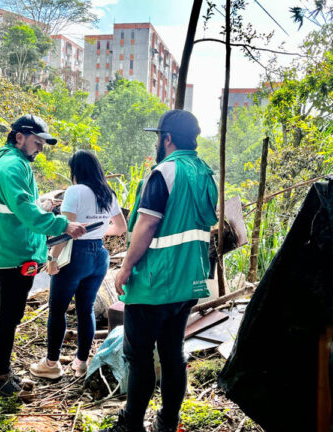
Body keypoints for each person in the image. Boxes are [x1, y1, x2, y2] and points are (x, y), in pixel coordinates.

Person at [107, 110, 218, 432]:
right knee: (172, 352)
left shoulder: (165, 172)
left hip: (156, 280)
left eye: (159, 137)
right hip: (189, 280)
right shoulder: (204, 172)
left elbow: (148, 222)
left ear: (166, 138)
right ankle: (167, 422)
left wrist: (126, 266)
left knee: (139, 356)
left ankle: (132, 425)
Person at [0, 114, 87, 397]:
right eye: (36, 142)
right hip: (16, 251)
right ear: (19, 137)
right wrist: (63, 224)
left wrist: (39, 203)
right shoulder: (15, 165)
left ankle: (0, 370)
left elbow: (14, 202)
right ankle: (0, 378)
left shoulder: (0, 159)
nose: (39, 149)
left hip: (2, 247)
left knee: (4, 313)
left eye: (41, 144)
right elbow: (24, 211)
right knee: (10, 315)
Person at [29, 150, 127, 380]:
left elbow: (65, 229)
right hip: (99, 255)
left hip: (74, 255)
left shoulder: (75, 191)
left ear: (76, 171)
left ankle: (52, 364)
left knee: (58, 309)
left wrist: (52, 260)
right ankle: (81, 362)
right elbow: (121, 227)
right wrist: (99, 232)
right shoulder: (107, 193)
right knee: (86, 309)